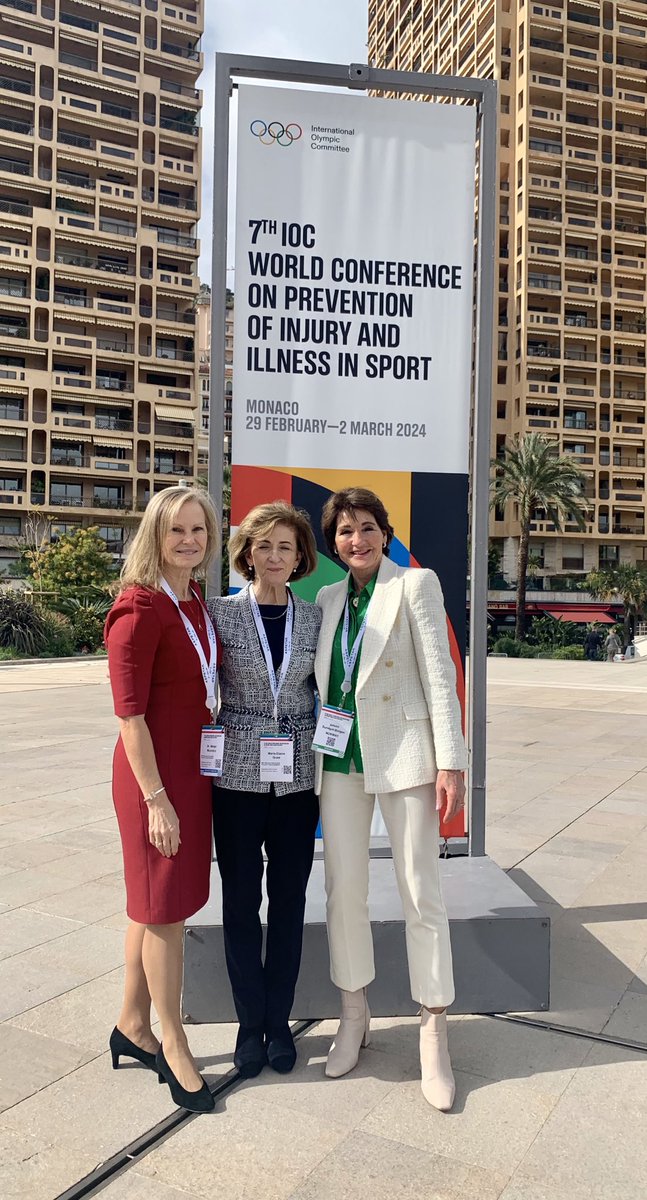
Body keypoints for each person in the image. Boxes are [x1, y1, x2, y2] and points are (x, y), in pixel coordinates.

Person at [314, 487, 467, 1112]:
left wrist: (451, 760)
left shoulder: (416, 585)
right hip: (340, 762)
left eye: (368, 527)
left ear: (386, 531)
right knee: (343, 889)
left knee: (418, 890)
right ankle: (355, 1013)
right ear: (334, 543)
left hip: (405, 755)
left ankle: (434, 1028)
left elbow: (440, 674)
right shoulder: (324, 599)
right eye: (346, 531)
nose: (358, 540)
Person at [104, 485, 220, 1114]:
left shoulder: (193, 597)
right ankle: (171, 1039)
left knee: (149, 907)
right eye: (177, 530)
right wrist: (157, 799)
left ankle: (130, 1023)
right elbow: (130, 717)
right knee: (166, 912)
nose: (189, 541)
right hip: (155, 780)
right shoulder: (139, 609)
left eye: (198, 530)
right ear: (154, 534)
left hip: (190, 771)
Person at [207, 501, 321, 1079]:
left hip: (298, 779)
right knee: (240, 903)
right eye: (264, 546)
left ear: (300, 556)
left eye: (286, 547)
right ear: (246, 554)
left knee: (291, 903)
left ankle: (280, 1020)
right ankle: (249, 1024)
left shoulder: (316, 619)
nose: (275, 556)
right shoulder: (220, 615)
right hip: (236, 778)